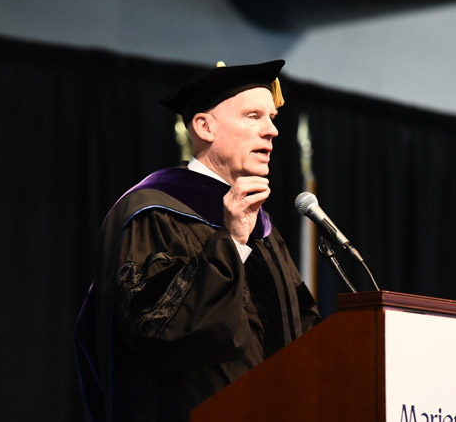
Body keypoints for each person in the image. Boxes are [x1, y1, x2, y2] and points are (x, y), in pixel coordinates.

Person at [74, 60, 320, 422]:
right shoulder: (154, 212)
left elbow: (301, 331)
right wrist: (232, 241)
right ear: (204, 127)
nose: (272, 131)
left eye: (272, 118)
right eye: (253, 116)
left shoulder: (262, 228)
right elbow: (162, 328)